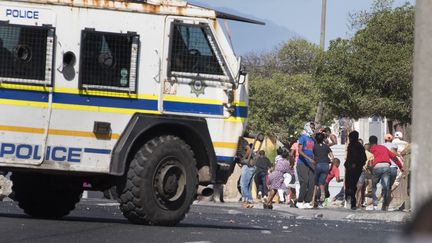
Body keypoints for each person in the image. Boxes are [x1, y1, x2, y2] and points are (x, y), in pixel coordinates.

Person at [369, 135, 403, 211]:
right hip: (387, 166)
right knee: (386, 187)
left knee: (374, 186)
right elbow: (393, 157)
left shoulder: (371, 149)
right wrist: (400, 166)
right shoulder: (383, 148)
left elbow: (370, 159)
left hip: (377, 167)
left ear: (370, 142)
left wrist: (370, 169)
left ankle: (375, 205)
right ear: (377, 141)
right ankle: (385, 206)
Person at [344, 131, 367, 210]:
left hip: (352, 168)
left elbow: (351, 156)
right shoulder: (360, 146)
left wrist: (352, 164)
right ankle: (352, 202)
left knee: (349, 184)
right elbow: (364, 158)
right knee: (354, 185)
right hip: (358, 168)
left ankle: (350, 200)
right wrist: (360, 164)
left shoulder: (352, 145)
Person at [297, 122, 316, 209]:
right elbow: (300, 151)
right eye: (312, 127)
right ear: (307, 127)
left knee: (312, 182)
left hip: (311, 164)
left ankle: (307, 201)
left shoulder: (312, 139)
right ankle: (300, 201)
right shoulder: (302, 137)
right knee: (304, 181)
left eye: (314, 127)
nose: (313, 129)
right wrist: (308, 158)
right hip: (302, 163)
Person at [312, 132, 334, 208]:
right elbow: (332, 157)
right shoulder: (326, 146)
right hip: (326, 165)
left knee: (314, 183)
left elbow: (312, 156)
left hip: (318, 164)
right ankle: (321, 199)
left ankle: (313, 200)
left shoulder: (314, 146)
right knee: (321, 183)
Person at [355, 143, 374, 208]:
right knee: (360, 188)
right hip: (362, 171)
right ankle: (358, 203)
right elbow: (370, 165)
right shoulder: (370, 155)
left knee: (356, 188)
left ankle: (355, 202)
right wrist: (372, 173)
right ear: (369, 148)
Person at [240, 144, 256, 208]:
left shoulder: (242, 142)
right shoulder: (253, 153)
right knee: (248, 185)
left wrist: (242, 159)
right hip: (251, 166)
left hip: (248, 166)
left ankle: (245, 201)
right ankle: (250, 200)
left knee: (243, 184)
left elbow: (248, 149)